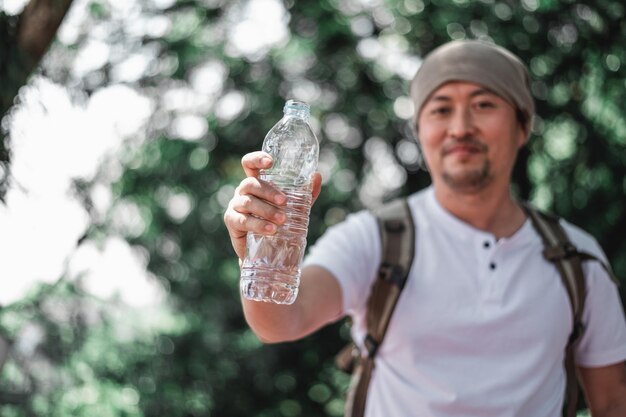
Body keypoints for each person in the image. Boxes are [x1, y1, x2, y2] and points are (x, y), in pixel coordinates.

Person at [223, 40, 626, 416]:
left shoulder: (577, 259)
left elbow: (612, 400)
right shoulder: (375, 239)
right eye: (441, 109)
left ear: (522, 127)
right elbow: (281, 322)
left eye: (484, 104)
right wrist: (261, 249)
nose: (460, 127)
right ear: (420, 131)